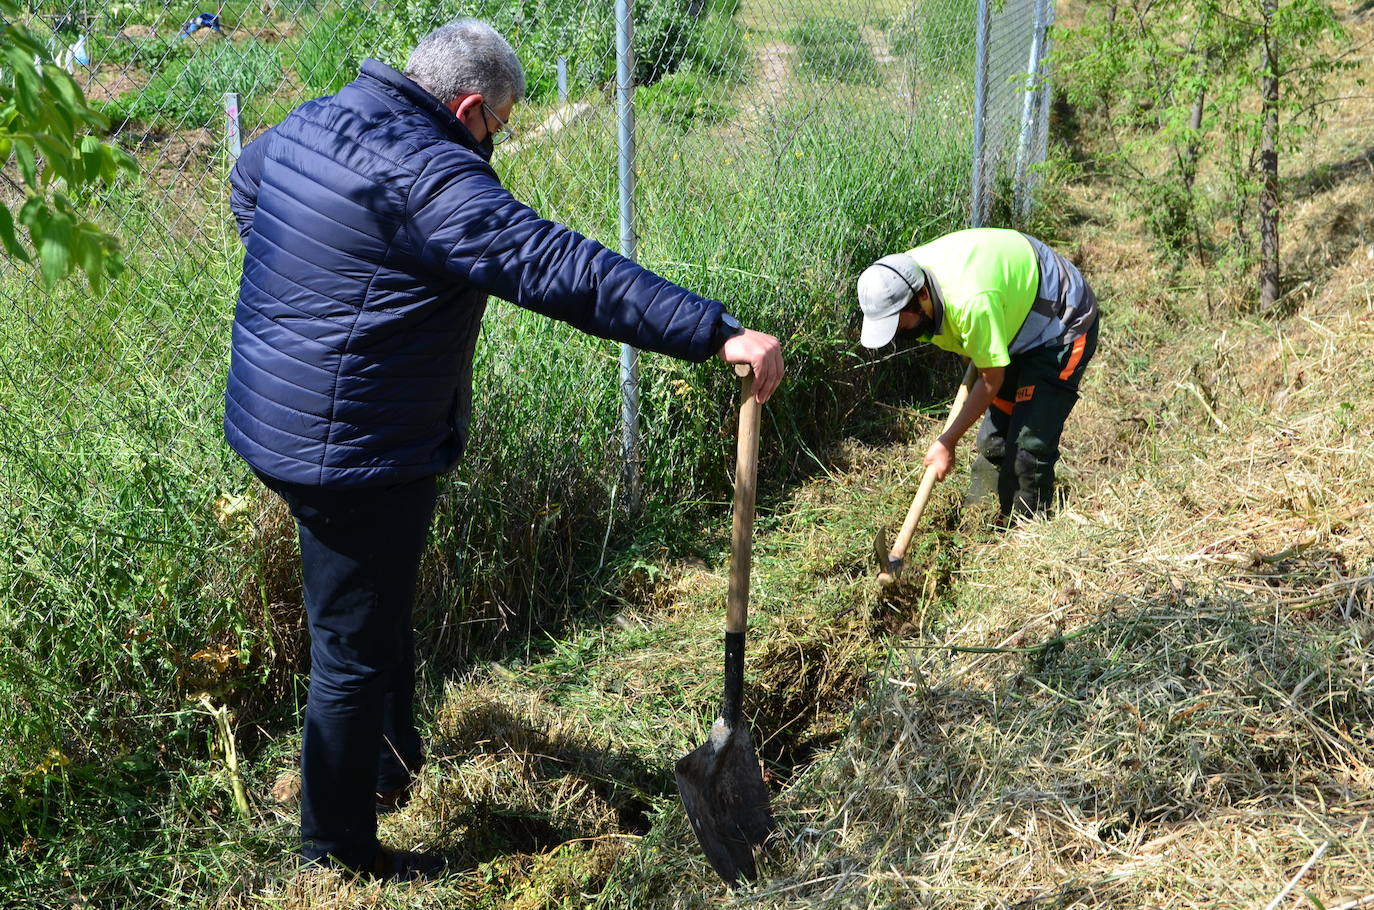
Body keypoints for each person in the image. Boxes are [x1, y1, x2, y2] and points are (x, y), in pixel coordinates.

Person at [224, 19, 783, 881]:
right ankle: (334, 853)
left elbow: (245, 183)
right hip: (355, 447)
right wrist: (714, 332)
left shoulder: (318, 118)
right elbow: (562, 268)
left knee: (371, 606)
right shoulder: (432, 176)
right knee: (350, 650)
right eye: (501, 125)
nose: (499, 142)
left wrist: (309, 289)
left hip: (279, 420)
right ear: (468, 110)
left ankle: (390, 764)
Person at [856, 227, 1098, 517]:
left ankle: (1025, 525)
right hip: (1009, 314)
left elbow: (991, 379)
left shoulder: (970, 302)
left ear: (922, 295)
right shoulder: (899, 280)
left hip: (1060, 318)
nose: (897, 332)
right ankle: (981, 514)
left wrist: (947, 441)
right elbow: (965, 342)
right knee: (993, 441)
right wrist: (976, 351)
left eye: (898, 323)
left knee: (1028, 447)